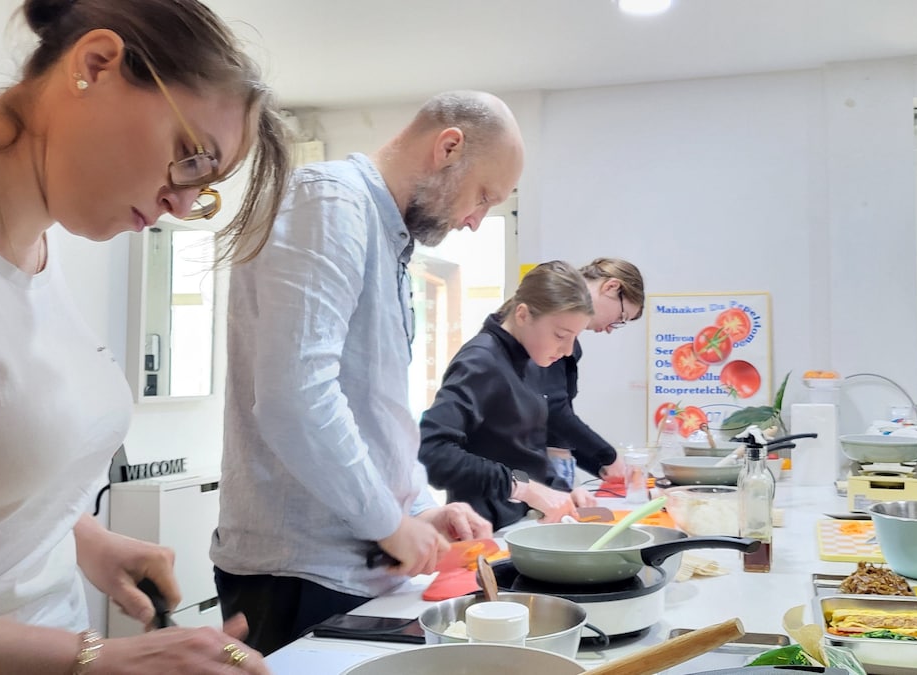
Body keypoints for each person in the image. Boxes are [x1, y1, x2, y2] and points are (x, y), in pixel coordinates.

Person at [0, 0, 291, 672]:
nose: (183, 205)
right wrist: (97, 656)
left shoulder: (41, 253)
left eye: (206, 188)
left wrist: (83, 538)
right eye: (191, 158)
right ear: (97, 64)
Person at [211, 90, 523, 655]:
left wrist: (424, 509)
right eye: (483, 196)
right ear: (448, 147)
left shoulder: (388, 236)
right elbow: (295, 399)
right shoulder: (330, 202)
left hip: (356, 570)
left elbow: (373, 411)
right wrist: (389, 522)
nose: (476, 221)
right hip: (300, 574)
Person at [419, 261, 602, 530]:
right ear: (523, 314)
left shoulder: (531, 357)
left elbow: (524, 451)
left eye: (574, 337)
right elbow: (431, 451)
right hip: (485, 531)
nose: (567, 350)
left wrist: (558, 494)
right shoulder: (481, 361)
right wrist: (524, 489)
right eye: (561, 335)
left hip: (520, 523)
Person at [540, 258, 646, 485]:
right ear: (611, 287)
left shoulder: (570, 343)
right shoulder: (544, 329)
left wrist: (600, 465)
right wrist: (608, 456)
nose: (610, 329)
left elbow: (559, 420)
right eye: (621, 318)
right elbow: (553, 410)